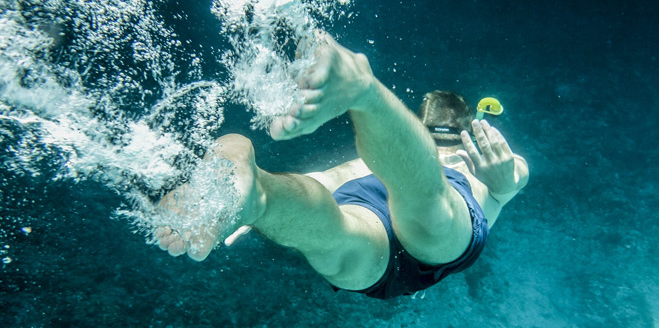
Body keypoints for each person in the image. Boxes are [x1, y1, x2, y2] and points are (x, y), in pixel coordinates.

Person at [154, 31, 529, 300]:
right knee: (430, 214)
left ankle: (260, 195)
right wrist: (504, 181)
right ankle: (365, 93)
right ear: (466, 131)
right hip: (430, 218)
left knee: (333, 233)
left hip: (370, 197)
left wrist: (244, 206)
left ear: (419, 126)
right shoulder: (484, 161)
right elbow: (512, 177)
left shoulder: (396, 154)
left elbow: (332, 177)